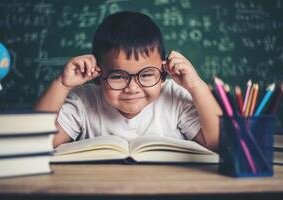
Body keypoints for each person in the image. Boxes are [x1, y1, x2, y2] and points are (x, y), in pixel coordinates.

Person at [34, 11, 222, 150]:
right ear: (98, 72)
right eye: (118, 76)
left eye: (147, 74)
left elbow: (216, 142)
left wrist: (197, 86)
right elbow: (37, 141)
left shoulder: (174, 96)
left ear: (163, 69)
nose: (132, 88)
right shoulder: (84, 101)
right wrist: (62, 84)